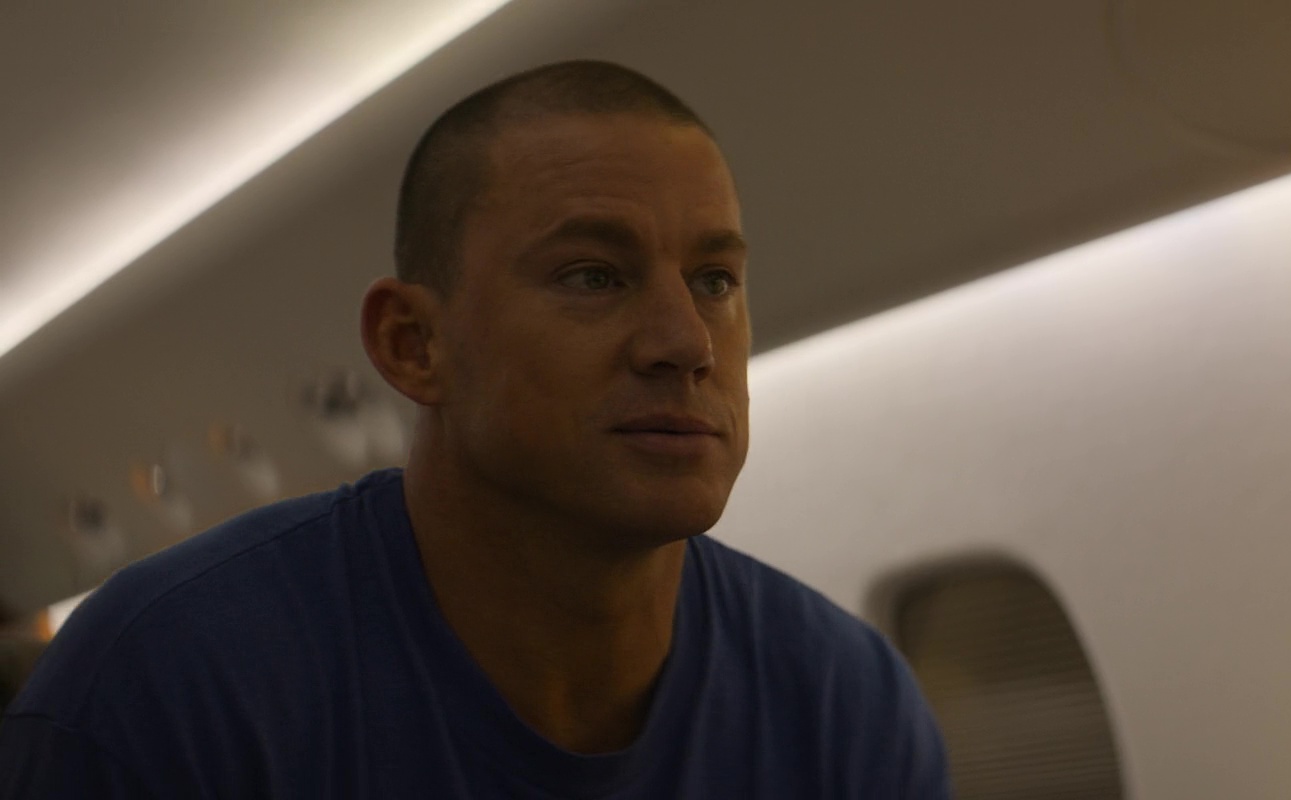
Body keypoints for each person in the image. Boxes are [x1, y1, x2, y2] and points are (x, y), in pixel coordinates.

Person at [0, 60, 951, 798]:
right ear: (413, 345)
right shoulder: (167, 686)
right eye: (594, 275)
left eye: (714, 280)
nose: (686, 343)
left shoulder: (841, 702)